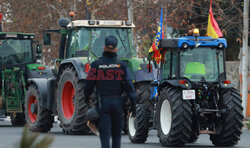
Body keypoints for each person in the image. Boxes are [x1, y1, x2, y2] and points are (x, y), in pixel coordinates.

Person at [84, 36, 137, 148]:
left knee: (105, 135)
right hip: (118, 103)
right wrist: (133, 105)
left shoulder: (96, 65)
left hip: (103, 103)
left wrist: (86, 98)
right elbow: (129, 86)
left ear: (104, 47)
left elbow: (88, 84)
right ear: (116, 49)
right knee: (117, 135)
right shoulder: (122, 65)